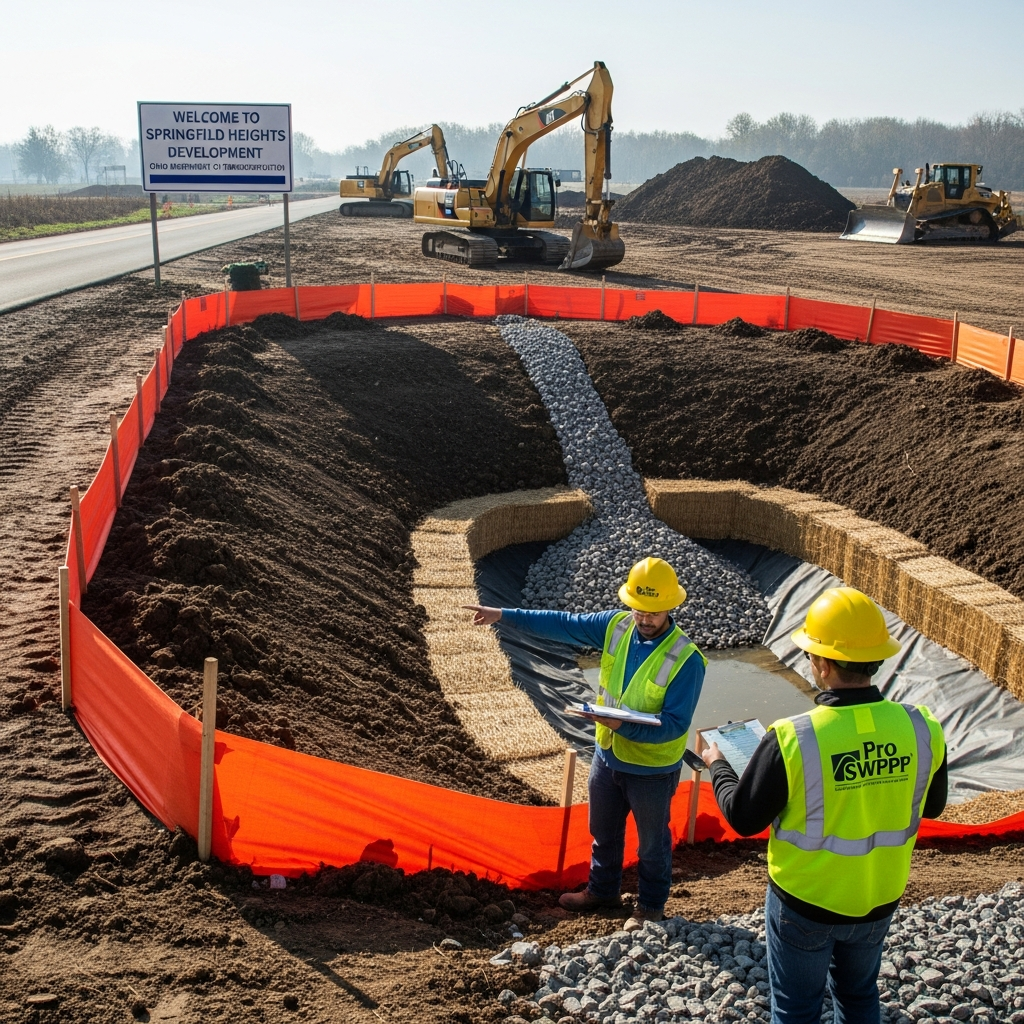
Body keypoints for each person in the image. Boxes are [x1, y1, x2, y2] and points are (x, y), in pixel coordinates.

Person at [702, 587, 947, 1024]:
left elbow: (743, 817)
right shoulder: (922, 726)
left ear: (822, 663)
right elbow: (932, 807)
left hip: (805, 904)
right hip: (879, 897)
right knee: (857, 997)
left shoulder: (793, 737)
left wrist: (719, 766)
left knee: (796, 1008)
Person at [466, 556, 705, 932]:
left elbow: (674, 727)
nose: (643, 619)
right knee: (603, 831)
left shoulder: (687, 660)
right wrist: (503, 615)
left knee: (651, 844)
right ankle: (602, 892)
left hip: (652, 770)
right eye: (638, 609)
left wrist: (620, 726)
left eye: (653, 613)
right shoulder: (616, 626)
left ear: (671, 607)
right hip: (608, 757)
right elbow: (563, 624)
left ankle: (651, 906)